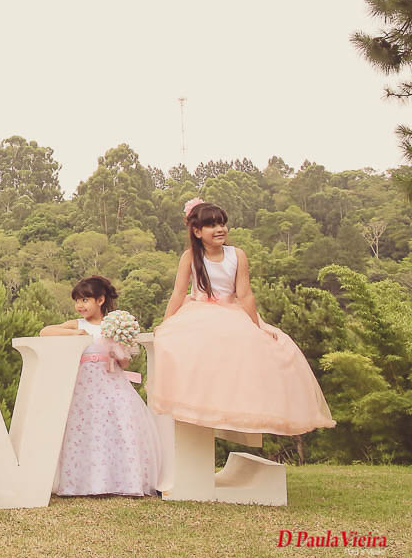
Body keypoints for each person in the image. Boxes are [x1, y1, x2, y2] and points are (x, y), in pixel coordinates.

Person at [147, 199, 335, 435]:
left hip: (230, 310)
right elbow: (178, 292)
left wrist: (257, 325)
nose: (220, 229)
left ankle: (244, 407)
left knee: (264, 347)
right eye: (212, 225)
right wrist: (166, 323)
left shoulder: (237, 255)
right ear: (197, 231)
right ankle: (198, 401)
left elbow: (244, 294)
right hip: (198, 310)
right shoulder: (190, 257)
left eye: (222, 224)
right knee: (187, 345)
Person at [40, 276, 162, 497]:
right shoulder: (78, 324)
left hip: (111, 382)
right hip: (84, 384)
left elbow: (125, 363)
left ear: (100, 300)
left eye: (85, 300)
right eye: (77, 300)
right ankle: (83, 483)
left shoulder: (112, 326)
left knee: (117, 426)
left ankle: (122, 481)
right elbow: (45, 331)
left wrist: (117, 348)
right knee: (85, 429)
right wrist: (75, 333)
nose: (80, 305)